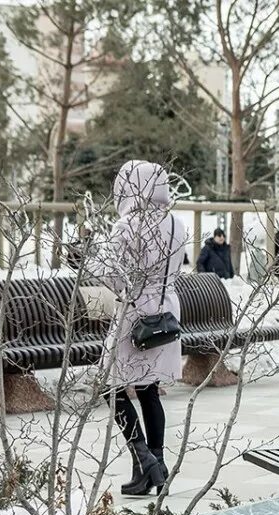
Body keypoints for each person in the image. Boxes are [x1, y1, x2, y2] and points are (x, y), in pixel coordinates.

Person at [96, 160, 188, 497]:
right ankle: (154, 465)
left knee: (111, 386)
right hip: (167, 312)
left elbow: (110, 275)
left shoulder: (127, 225)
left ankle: (143, 457)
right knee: (148, 388)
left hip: (135, 312)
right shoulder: (176, 223)